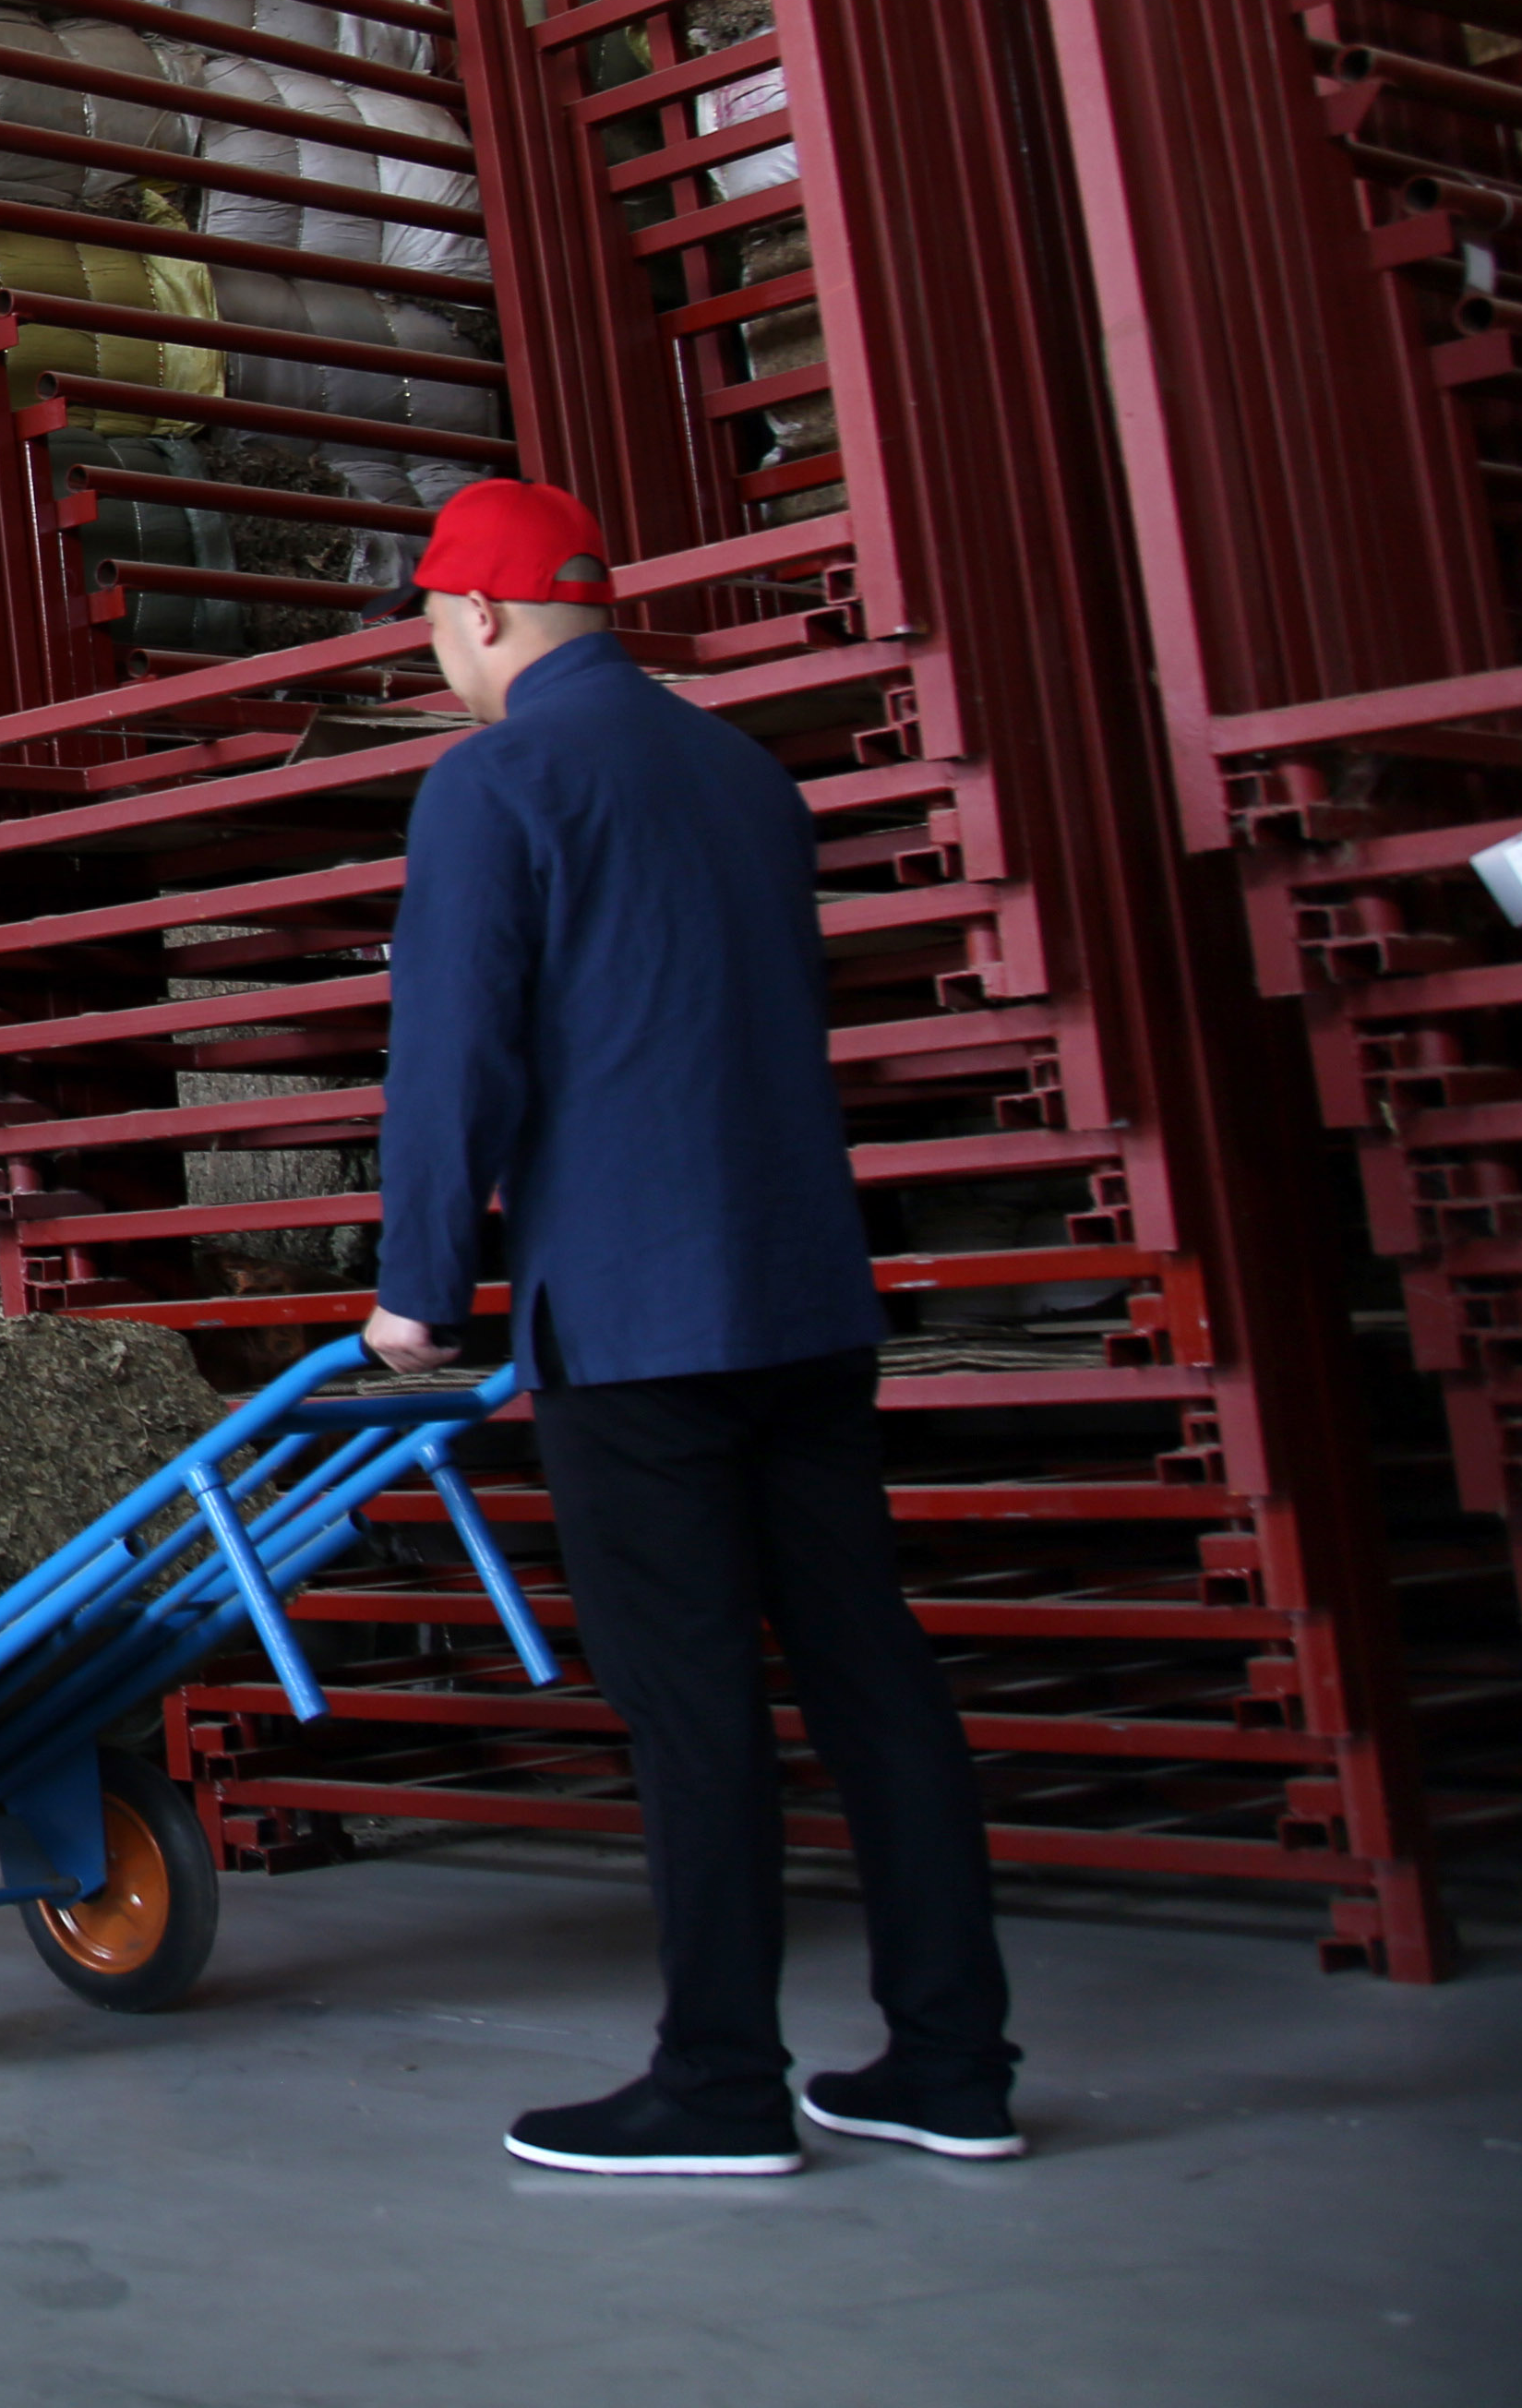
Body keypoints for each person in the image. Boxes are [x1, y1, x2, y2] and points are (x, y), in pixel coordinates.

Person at [358, 477, 1021, 2178]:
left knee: (694, 1700)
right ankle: (953, 2064)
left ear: (480, 614)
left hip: (633, 1316)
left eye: (436, 629)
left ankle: (719, 2085)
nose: (441, 660)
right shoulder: (745, 776)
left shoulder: (496, 782)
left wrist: (421, 1283)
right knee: (872, 1673)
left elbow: (455, 1051)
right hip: (802, 1292)